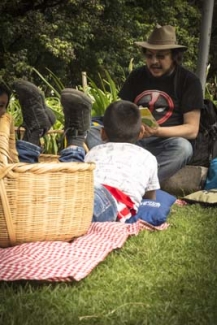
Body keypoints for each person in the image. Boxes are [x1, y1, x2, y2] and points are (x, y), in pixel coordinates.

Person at [10, 80, 160, 223]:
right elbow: (150, 197)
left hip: (81, 187)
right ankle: (73, 135)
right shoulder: (149, 158)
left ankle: (36, 131)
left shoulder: (96, 150)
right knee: (58, 211)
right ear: (141, 132)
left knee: (28, 194)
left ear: (102, 133)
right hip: (108, 198)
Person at [86, 24, 204, 182]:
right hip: (132, 139)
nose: (154, 61)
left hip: (165, 144)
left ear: (174, 56)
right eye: (149, 56)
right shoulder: (137, 76)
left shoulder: (189, 81)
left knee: (183, 148)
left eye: (161, 56)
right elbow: (121, 111)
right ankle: (116, 175)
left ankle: (138, 182)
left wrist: (157, 131)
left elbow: (191, 130)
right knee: (90, 129)